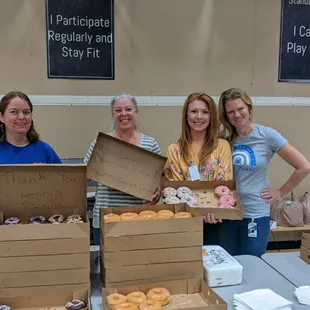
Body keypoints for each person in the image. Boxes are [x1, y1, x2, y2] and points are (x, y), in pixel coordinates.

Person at [218, 87, 310, 257]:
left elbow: (304, 166)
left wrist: (281, 192)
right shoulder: (224, 141)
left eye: (240, 109)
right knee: (229, 263)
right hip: (229, 212)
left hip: (255, 212)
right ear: (226, 116)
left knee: (253, 263)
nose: (236, 115)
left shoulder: (267, 135)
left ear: (249, 109)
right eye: (231, 112)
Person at [84, 92, 162, 246]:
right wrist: (96, 170)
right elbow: (84, 177)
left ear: (136, 112)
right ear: (112, 115)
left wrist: (157, 191)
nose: (123, 114)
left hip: (139, 217)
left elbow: (159, 179)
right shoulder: (101, 143)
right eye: (118, 110)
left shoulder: (150, 143)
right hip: (105, 217)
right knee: (107, 267)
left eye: (128, 109)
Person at [164, 92, 233, 245]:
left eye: (205, 112)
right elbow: (174, 191)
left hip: (216, 220)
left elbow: (224, 183)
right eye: (194, 111)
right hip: (185, 223)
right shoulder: (174, 150)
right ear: (186, 116)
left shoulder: (222, 146)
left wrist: (214, 210)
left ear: (211, 116)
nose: (199, 116)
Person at [0, 91, 61, 164]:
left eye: (26, 112)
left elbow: (63, 175)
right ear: (1, 117)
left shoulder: (44, 150)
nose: (21, 117)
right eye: (14, 112)